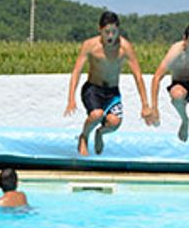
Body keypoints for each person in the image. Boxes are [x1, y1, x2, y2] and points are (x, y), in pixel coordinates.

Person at [64, 10, 153, 156]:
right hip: (92, 89)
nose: (110, 36)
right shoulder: (90, 46)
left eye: (114, 32)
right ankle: (84, 137)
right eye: (107, 32)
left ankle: (100, 133)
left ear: (119, 30)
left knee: (115, 123)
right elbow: (76, 72)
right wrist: (71, 99)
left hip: (112, 92)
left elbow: (138, 76)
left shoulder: (125, 48)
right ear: (100, 30)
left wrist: (145, 105)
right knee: (96, 115)